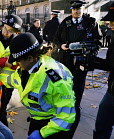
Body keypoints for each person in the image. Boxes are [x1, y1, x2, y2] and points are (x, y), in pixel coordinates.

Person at [0, 32, 76, 139]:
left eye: (18, 60)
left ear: (30, 58)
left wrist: (42, 133)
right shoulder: (23, 70)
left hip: (56, 125)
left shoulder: (55, 78)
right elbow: (10, 80)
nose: (16, 64)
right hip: (37, 120)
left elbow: (66, 116)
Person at [53, 0, 102, 137]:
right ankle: (64, 107)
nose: (76, 11)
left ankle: (75, 110)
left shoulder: (90, 23)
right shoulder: (65, 22)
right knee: (64, 86)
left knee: (78, 87)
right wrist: (61, 45)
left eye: (79, 8)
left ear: (83, 8)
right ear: (71, 10)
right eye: (74, 9)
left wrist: (90, 51)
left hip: (82, 62)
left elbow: (98, 41)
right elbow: (56, 39)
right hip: (66, 61)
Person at [94, 2, 114, 138]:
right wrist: (91, 61)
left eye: (113, 21)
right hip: (111, 91)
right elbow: (110, 64)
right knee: (102, 125)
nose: (111, 24)